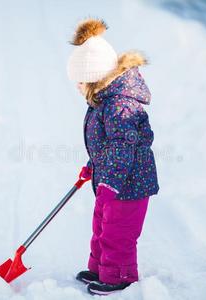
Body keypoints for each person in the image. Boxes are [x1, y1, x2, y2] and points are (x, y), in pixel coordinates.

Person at [67, 18, 159, 295]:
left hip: (129, 185)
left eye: (81, 82)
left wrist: (109, 181)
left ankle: (119, 275)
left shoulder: (119, 106)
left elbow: (122, 147)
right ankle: (100, 269)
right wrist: (93, 166)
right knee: (101, 227)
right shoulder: (105, 101)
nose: (77, 87)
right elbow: (106, 145)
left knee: (117, 234)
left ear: (95, 78)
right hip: (112, 180)